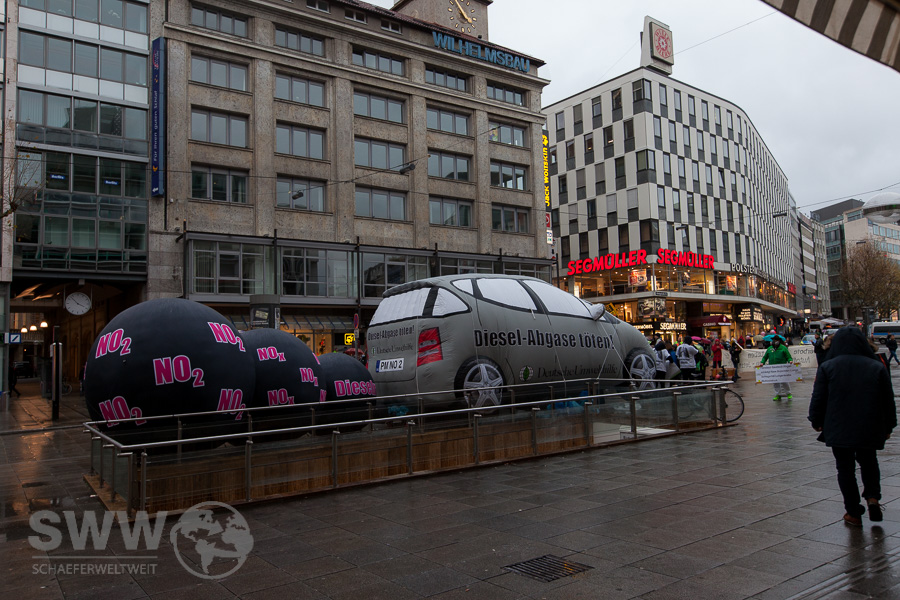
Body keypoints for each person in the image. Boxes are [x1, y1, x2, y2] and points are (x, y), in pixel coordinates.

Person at [808, 327, 896, 526]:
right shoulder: (876, 366)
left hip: (839, 425)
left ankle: (853, 511)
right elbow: (887, 399)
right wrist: (889, 425)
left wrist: (816, 420)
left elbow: (819, 397)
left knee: (845, 469)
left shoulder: (828, 366)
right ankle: (873, 498)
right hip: (869, 423)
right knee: (869, 462)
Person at [760, 335, 793, 401]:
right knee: (775, 382)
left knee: (784, 381)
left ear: (779, 341)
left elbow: (788, 356)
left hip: (782, 368)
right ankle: (778, 394)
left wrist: (790, 360)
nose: (774, 341)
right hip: (773, 368)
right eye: (773, 340)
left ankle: (788, 393)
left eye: (776, 340)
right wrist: (762, 362)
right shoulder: (769, 349)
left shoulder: (783, 348)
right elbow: (765, 357)